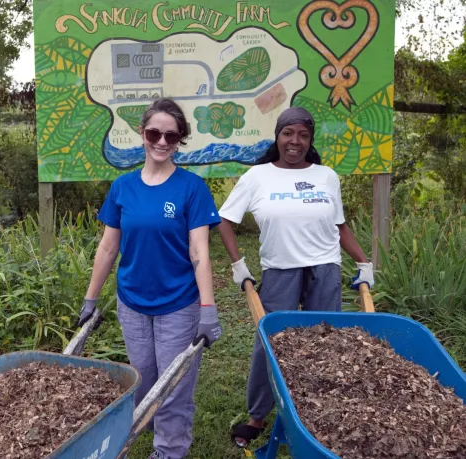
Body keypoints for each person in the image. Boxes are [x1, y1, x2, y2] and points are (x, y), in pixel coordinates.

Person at [217, 106, 374, 447]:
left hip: (325, 266)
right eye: (288, 133)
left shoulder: (326, 176)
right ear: (277, 136)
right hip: (280, 268)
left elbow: (339, 226)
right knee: (270, 342)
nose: (295, 141)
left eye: (303, 135)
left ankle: (322, 413)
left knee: (326, 341)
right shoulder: (257, 176)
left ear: (310, 140)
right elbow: (224, 221)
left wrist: (364, 262)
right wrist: (238, 265)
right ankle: (258, 415)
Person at [78, 97, 222, 459]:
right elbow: (109, 248)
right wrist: (90, 299)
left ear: (180, 140)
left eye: (171, 136)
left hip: (179, 304)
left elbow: (200, 252)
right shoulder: (123, 188)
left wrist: (208, 309)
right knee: (143, 384)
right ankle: (156, 431)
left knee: (172, 389)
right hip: (132, 304)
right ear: (142, 134)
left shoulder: (192, 189)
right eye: (154, 133)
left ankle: (168, 451)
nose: (161, 141)